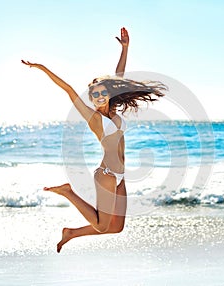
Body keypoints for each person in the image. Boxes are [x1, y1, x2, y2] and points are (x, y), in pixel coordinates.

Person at [21, 27, 167, 253]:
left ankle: (71, 233)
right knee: (100, 225)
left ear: (108, 94)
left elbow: (118, 77)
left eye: (102, 93)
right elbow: (68, 90)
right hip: (106, 175)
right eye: (94, 95)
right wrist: (42, 68)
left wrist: (125, 49)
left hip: (120, 175)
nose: (98, 97)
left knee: (116, 227)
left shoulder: (114, 112)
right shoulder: (94, 118)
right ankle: (68, 192)